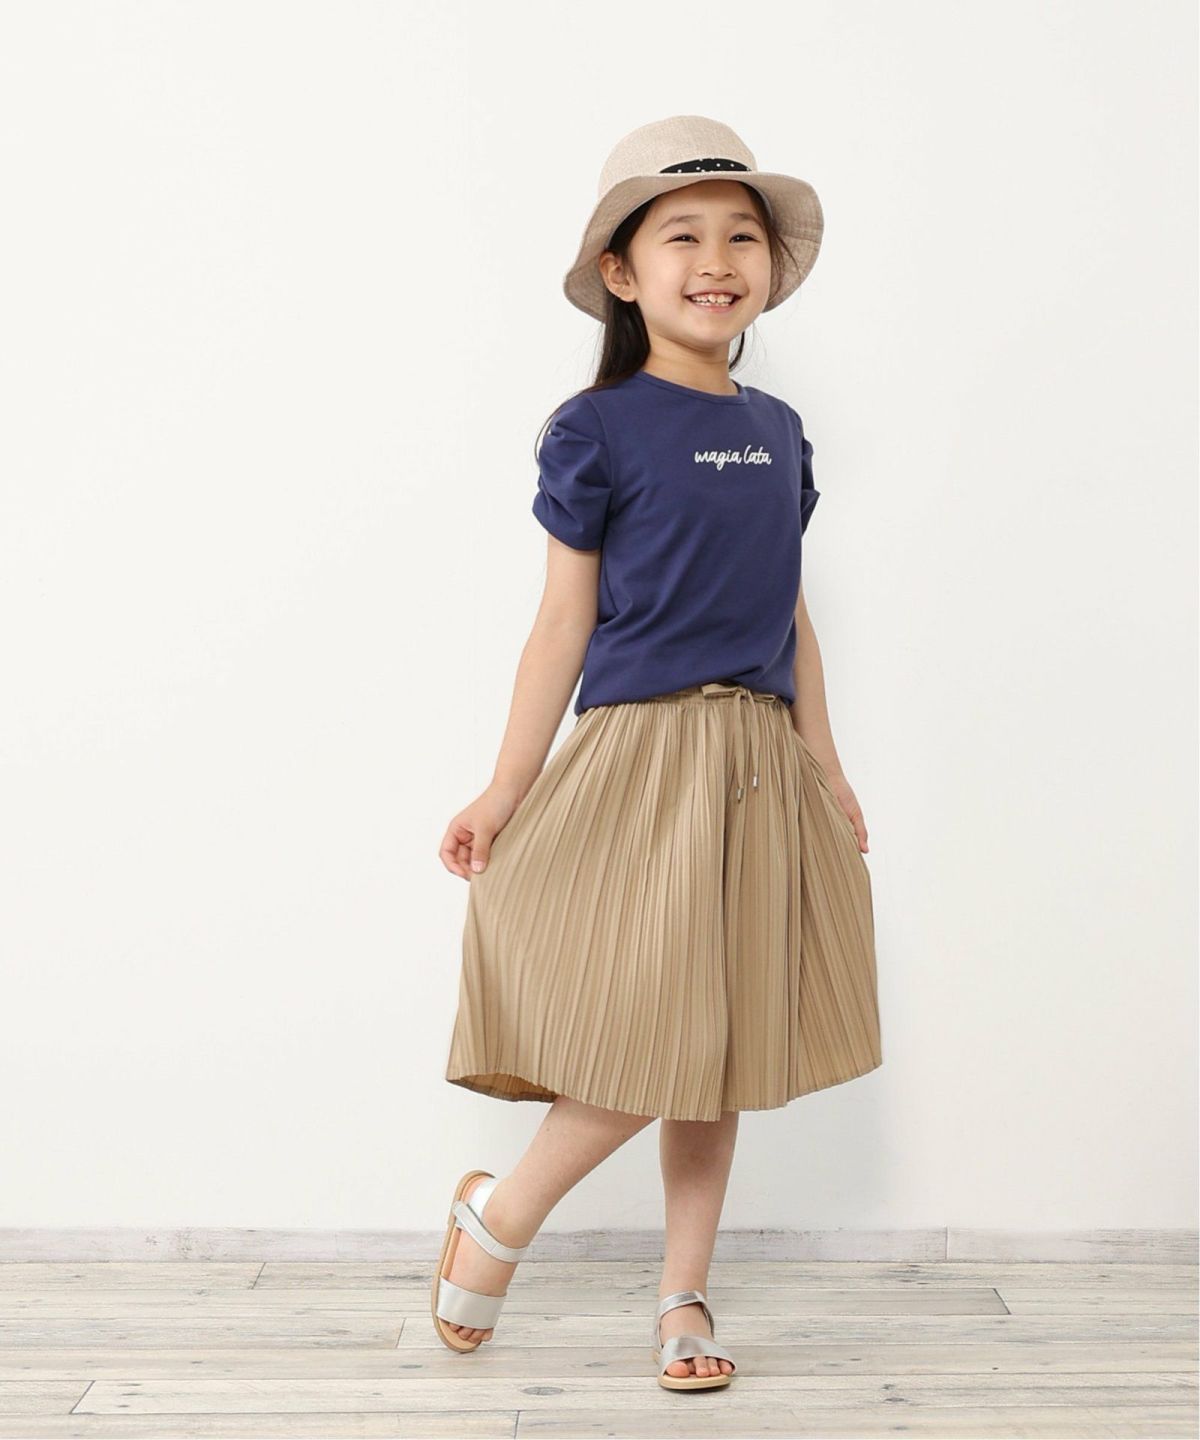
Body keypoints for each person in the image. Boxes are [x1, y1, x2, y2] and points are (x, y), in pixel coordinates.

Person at [431, 115, 882, 1392]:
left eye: (742, 236)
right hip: (641, 760)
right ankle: (504, 1213)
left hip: (758, 760)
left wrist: (827, 764)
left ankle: (685, 1296)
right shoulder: (598, 428)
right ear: (623, 273)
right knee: (657, 1031)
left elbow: (791, 613)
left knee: (717, 1046)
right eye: (683, 236)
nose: (717, 260)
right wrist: (504, 788)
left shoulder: (781, 430)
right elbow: (561, 623)